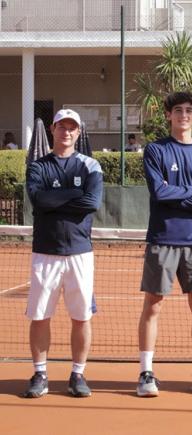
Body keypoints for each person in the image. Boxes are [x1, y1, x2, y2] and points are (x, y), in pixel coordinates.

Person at [136, 91, 192, 397]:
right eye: (177, 110)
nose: (183, 115)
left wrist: (179, 192)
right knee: (153, 306)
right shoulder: (156, 151)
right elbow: (158, 193)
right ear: (169, 116)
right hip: (162, 239)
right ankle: (146, 374)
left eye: (188, 110)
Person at [23, 109, 103, 398]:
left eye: (72, 128)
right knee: (40, 316)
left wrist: (55, 199)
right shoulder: (38, 166)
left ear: (78, 132)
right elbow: (38, 199)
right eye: (61, 127)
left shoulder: (90, 166)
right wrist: (73, 196)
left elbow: (92, 202)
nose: (66, 132)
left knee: (81, 317)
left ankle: (77, 374)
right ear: (53, 130)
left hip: (80, 253)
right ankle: (40, 373)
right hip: (45, 251)